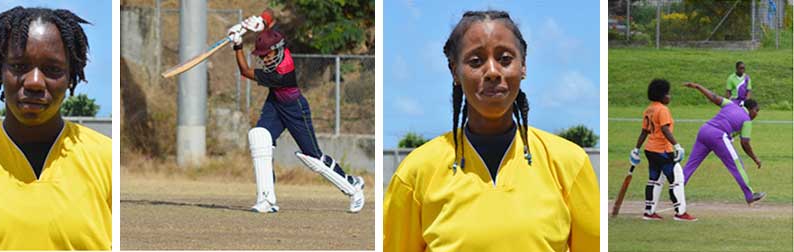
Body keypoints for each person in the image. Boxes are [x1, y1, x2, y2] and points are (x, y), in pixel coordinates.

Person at [383, 10, 598, 251]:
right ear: (455, 71)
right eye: (476, 61)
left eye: (505, 59)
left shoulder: (568, 163)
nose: (493, 71)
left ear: (523, 66)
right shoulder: (416, 172)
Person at [0, 6, 111, 250]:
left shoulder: (107, 162)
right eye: (19, 66)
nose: (34, 82)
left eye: (52, 69)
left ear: (70, 76)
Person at [227, 12, 365, 213]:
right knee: (259, 137)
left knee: (313, 158)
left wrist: (238, 46)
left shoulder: (280, 72)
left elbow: (245, 72)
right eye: (262, 55)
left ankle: (353, 187)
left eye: (266, 55)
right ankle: (266, 199)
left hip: (295, 108)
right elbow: (270, 19)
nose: (264, 59)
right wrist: (256, 23)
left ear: (276, 51)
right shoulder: (281, 44)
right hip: (274, 103)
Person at [682, 82, 765, 205]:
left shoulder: (730, 104)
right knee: (737, 164)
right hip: (718, 136)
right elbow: (745, 143)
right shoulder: (747, 120)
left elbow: (714, 97)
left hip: (704, 130)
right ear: (751, 109)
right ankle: (749, 195)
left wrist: (698, 86)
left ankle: (677, 190)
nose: (757, 114)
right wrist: (755, 158)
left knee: (691, 164)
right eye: (757, 111)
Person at [629, 79, 695, 221]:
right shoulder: (663, 110)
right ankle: (680, 212)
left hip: (650, 150)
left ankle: (649, 211)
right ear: (662, 95)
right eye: (668, 94)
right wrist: (677, 145)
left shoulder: (649, 109)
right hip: (663, 151)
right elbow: (665, 129)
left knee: (654, 180)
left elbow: (644, 132)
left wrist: (636, 149)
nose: (670, 97)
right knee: (676, 179)